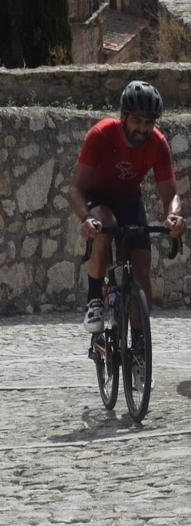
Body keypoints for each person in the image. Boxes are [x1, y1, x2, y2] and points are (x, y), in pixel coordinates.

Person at [68, 79, 185, 335]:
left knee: (142, 269)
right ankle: (95, 299)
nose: (142, 129)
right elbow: (74, 189)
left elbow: (171, 194)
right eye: (137, 121)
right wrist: (85, 219)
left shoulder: (158, 143)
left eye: (148, 122)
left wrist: (174, 216)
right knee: (105, 224)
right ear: (123, 116)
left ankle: (140, 346)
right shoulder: (101, 134)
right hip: (96, 199)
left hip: (130, 200)